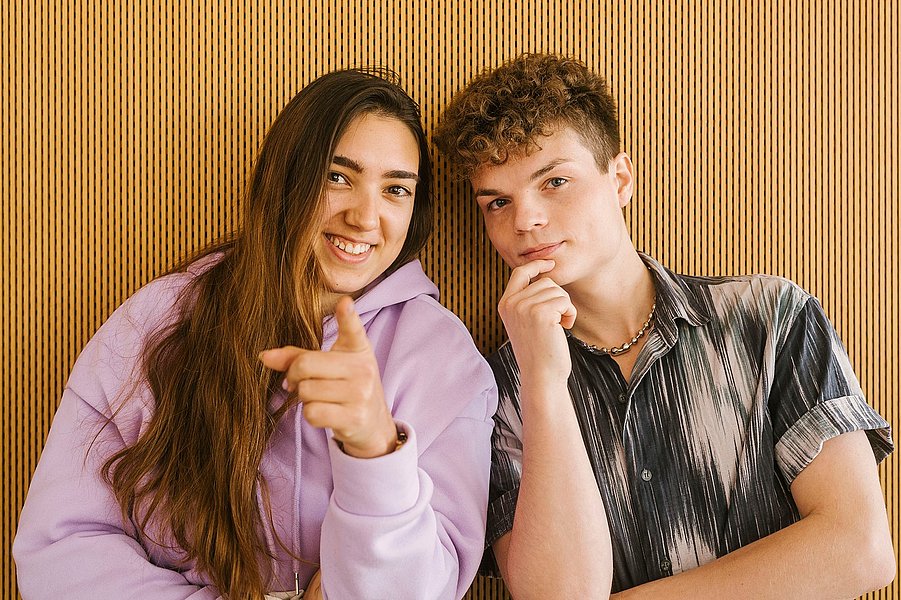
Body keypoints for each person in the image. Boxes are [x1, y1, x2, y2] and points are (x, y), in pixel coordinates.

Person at [14, 68, 497, 600]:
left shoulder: (445, 359)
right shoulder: (157, 319)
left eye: (396, 189)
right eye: (337, 177)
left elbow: (428, 588)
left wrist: (376, 451)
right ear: (286, 178)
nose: (365, 217)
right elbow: (61, 548)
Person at [433, 53, 895, 599]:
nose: (525, 220)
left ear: (619, 180)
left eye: (555, 181)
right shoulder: (495, 389)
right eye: (497, 202)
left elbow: (858, 548)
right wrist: (542, 382)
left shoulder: (769, 317)